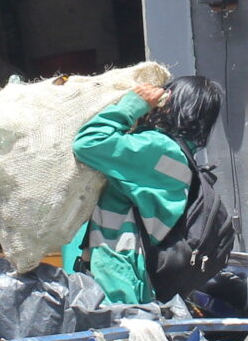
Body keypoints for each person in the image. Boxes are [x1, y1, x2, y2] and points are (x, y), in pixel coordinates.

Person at [65, 75, 222, 306]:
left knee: (113, 335)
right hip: (131, 268)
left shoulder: (157, 149)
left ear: (174, 106)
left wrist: (133, 106)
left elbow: (88, 143)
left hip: (116, 266)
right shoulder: (178, 157)